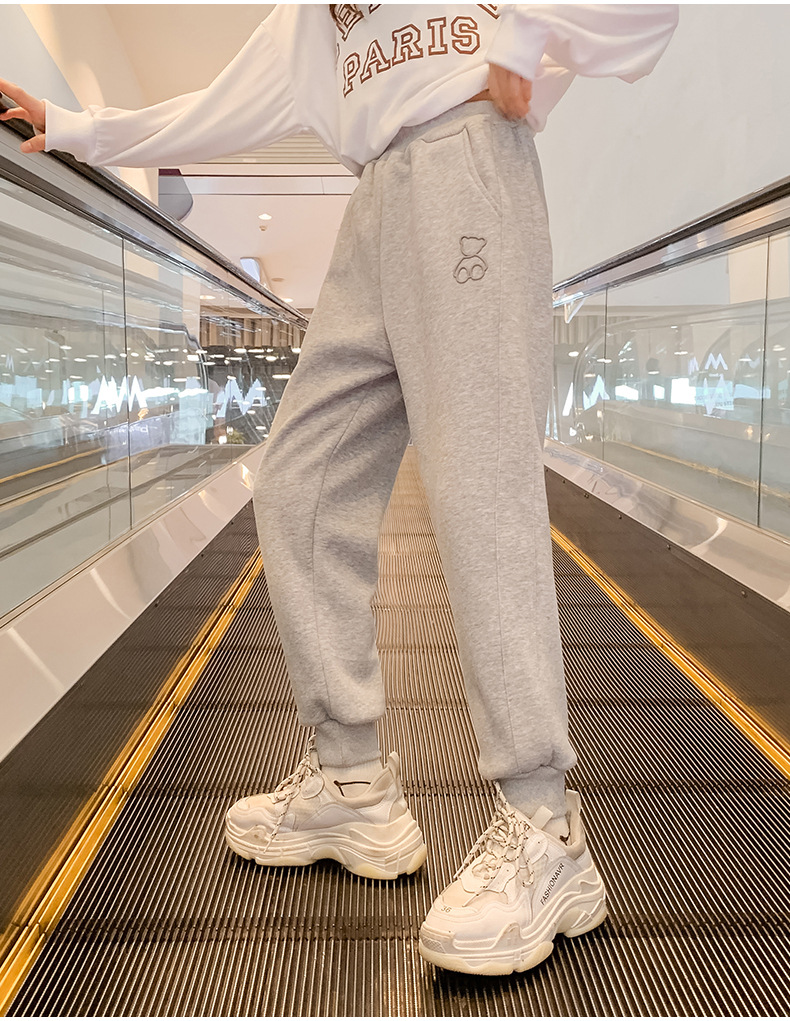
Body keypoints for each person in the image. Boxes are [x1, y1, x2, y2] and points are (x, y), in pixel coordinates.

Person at [1, 3, 678, 976]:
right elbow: (226, 103)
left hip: (465, 160)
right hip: (377, 198)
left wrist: (522, 40)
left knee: (478, 492)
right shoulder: (311, 16)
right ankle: (353, 784)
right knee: (299, 477)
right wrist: (74, 128)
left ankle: (546, 830)